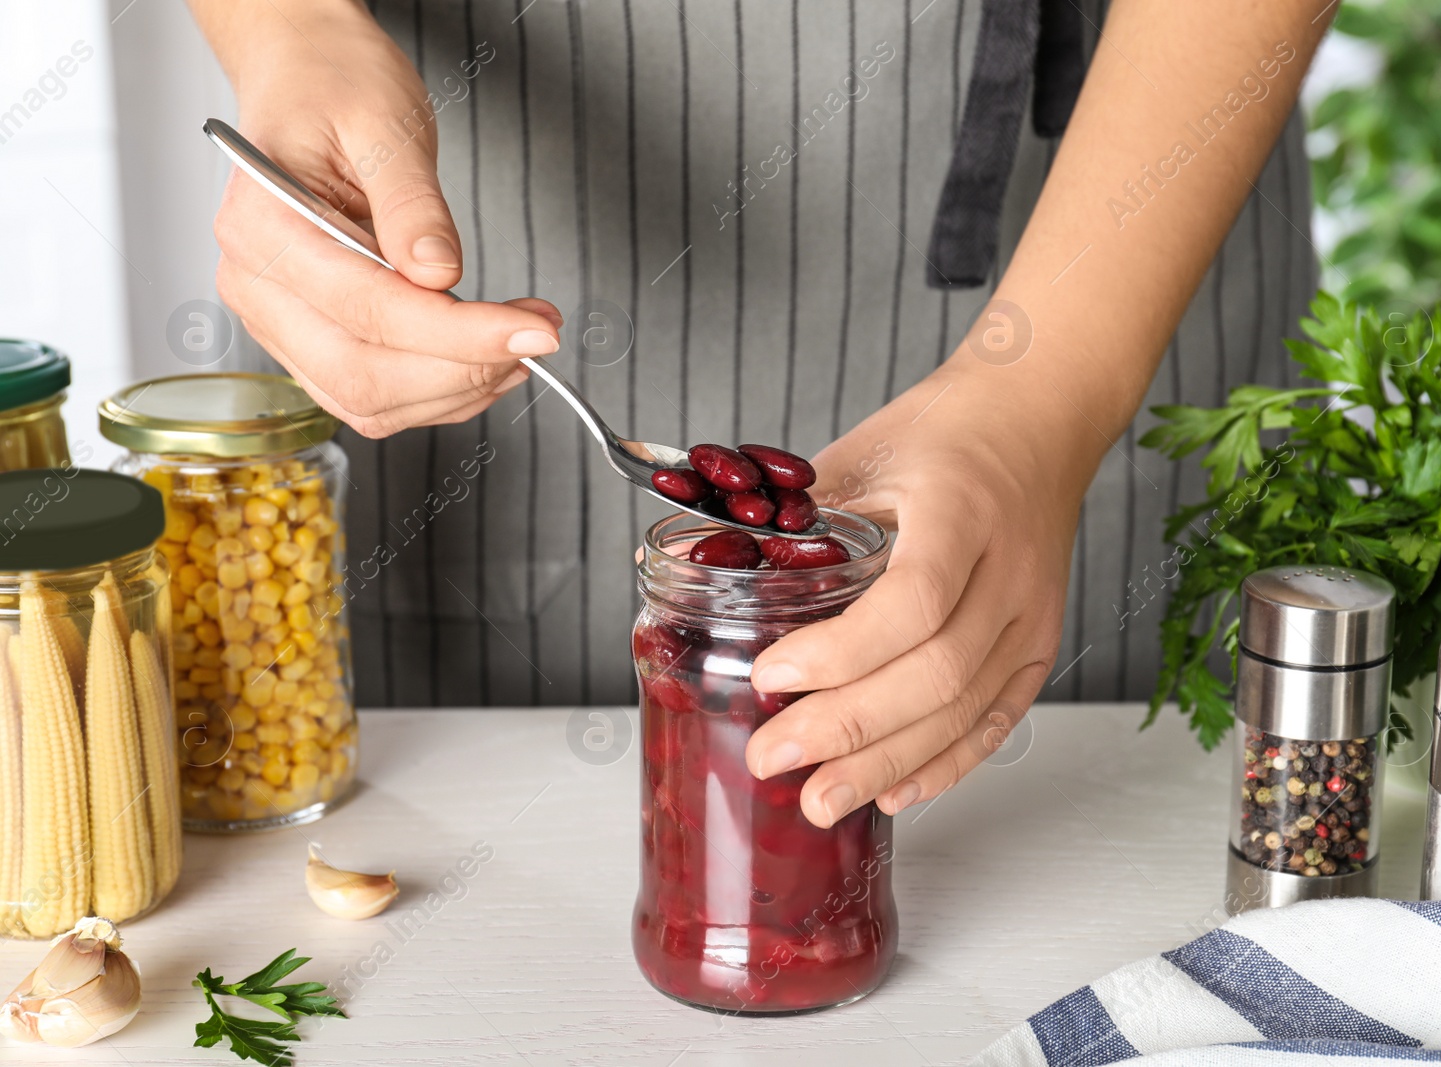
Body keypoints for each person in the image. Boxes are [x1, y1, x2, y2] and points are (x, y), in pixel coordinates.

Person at [187, 0, 1331, 829]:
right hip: (465, 182)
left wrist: (1045, 396)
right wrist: (288, 30)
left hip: (1113, 206)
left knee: (1129, 836)